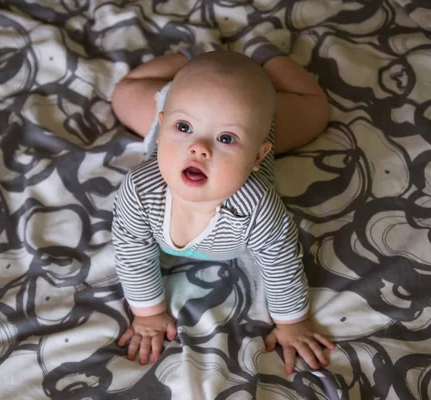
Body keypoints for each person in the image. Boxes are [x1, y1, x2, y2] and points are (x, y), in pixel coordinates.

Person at [110, 47, 334, 375]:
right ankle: (186, 58)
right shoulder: (140, 189)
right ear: (163, 128)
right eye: (184, 129)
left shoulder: (256, 206)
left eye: (225, 139)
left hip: (253, 118)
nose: (199, 147)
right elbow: (132, 249)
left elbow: (281, 259)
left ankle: (267, 58)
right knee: (123, 96)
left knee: (315, 110)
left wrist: (292, 322)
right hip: (182, 103)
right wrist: (147, 314)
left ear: (258, 156)